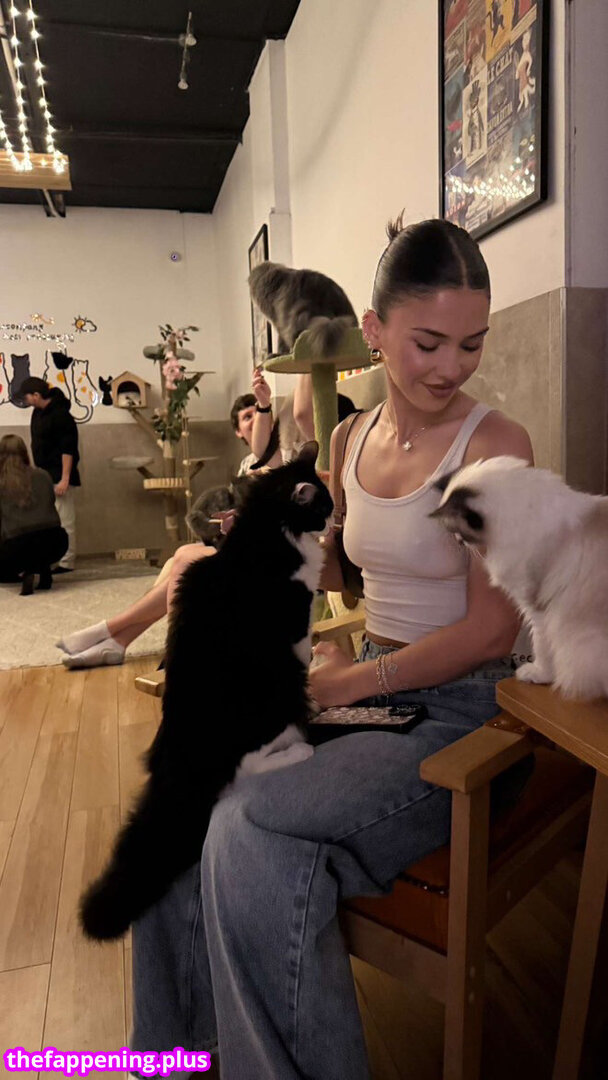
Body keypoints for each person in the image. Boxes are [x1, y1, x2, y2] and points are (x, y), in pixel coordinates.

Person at [128, 217, 534, 1080]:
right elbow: (344, 570)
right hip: (371, 690)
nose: (451, 367)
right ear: (375, 332)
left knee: (252, 825)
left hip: (462, 711)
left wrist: (349, 681)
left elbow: (491, 630)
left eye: (470, 344)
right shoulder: (350, 440)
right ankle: (175, 1060)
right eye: (428, 342)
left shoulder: (494, 445)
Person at [57, 373, 282, 668]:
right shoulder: (245, 464)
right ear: (238, 432)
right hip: (238, 542)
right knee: (176, 558)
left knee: (184, 561)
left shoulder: (277, 455)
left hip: (262, 551)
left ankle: (112, 630)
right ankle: (118, 641)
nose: (253, 420)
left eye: (257, 414)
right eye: (246, 417)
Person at [20, 376, 80, 572]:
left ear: (36, 395)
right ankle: (54, 558)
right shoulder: (38, 413)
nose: (26, 401)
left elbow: (68, 449)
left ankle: (67, 561)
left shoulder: (61, 414)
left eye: (27, 397)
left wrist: (65, 478)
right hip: (44, 474)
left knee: (65, 518)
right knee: (50, 519)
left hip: (59, 474)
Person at [0, 434, 68, 595]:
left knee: (20, 541)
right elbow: (50, 504)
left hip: (17, 548)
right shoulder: (43, 475)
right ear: (24, 452)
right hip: (55, 542)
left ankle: (24, 570)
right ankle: (43, 568)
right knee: (37, 535)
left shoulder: (2, 482)